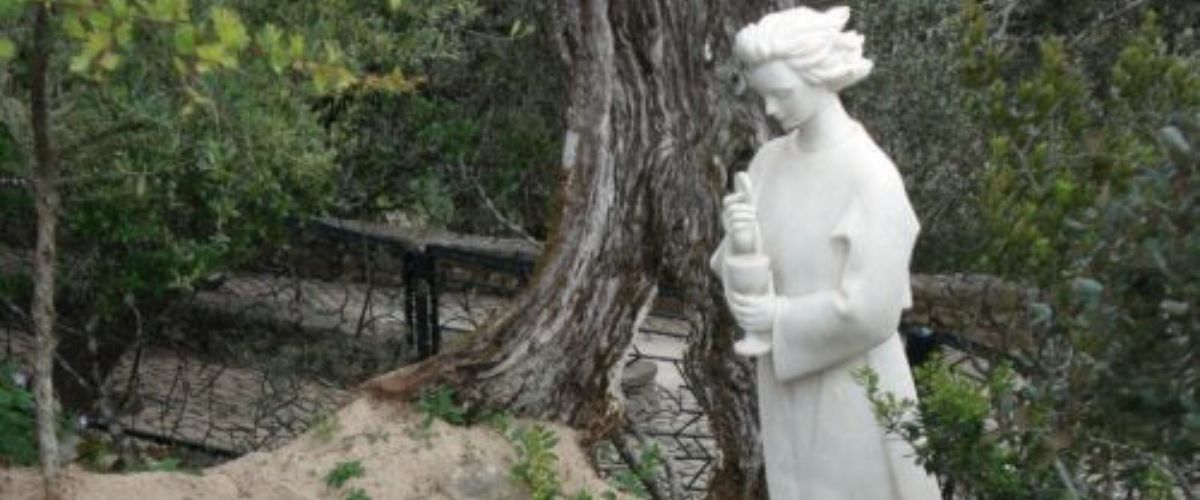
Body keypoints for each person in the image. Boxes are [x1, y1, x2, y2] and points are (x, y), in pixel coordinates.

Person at [710, 6, 942, 499]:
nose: (771, 109)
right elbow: (742, 279)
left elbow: (871, 312)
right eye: (764, 94)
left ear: (820, 77)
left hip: (855, 393)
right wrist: (742, 247)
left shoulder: (869, 177)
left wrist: (778, 316)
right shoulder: (770, 162)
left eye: (782, 92)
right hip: (786, 387)